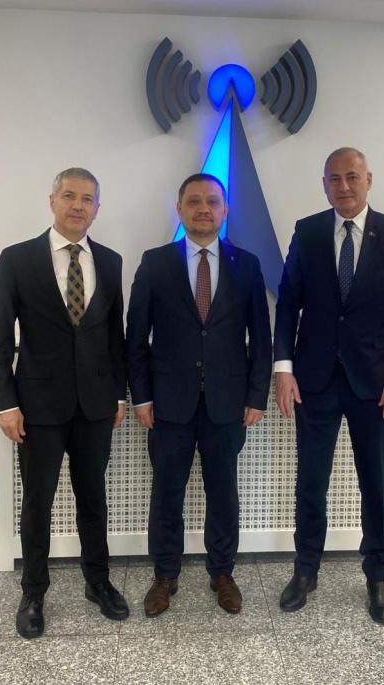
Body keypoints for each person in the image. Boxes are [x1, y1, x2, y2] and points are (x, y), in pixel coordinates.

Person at [274, 147, 384, 624]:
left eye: (352, 177)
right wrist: (283, 368)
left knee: (375, 482)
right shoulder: (307, 232)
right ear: (324, 185)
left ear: (368, 180)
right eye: (334, 179)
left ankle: (378, 575)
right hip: (314, 381)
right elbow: (288, 303)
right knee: (310, 482)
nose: (343, 186)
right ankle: (306, 570)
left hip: (375, 384)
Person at [0, 167, 129, 639]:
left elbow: (115, 337)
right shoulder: (16, 259)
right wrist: (5, 403)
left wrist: (118, 393)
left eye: (87, 198)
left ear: (97, 208)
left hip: (95, 406)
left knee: (93, 498)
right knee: (38, 503)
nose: (78, 205)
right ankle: (33, 592)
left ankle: (98, 582)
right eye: (69, 195)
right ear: (52, 201)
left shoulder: (110, 262)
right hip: (38, 407)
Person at [126, 173, 272, 617]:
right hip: (168, 403)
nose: (203, 208)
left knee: (223, 492)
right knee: (166, 493)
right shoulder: (155, 263)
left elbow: (261, 337)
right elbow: (136, 338)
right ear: (180, 209)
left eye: (212, 201)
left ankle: (222, 572)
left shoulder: (246, 264)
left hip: (228, 402)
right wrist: (141, 397)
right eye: (194, 201)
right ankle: (165, 574)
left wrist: (257, 396)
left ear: (225, 210)